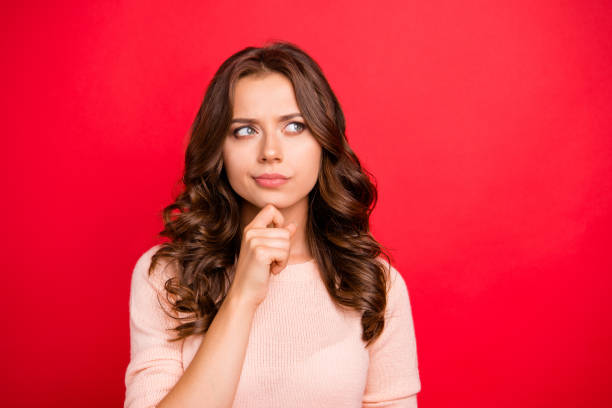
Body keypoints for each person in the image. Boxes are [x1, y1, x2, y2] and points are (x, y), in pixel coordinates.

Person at [124, 40, 421, 408]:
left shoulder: (374, 283)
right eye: (245, 130)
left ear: (324, 141)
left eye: (294, 126)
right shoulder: (168, 276)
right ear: (219, 149)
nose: (270, 151)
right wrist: (242, 297)